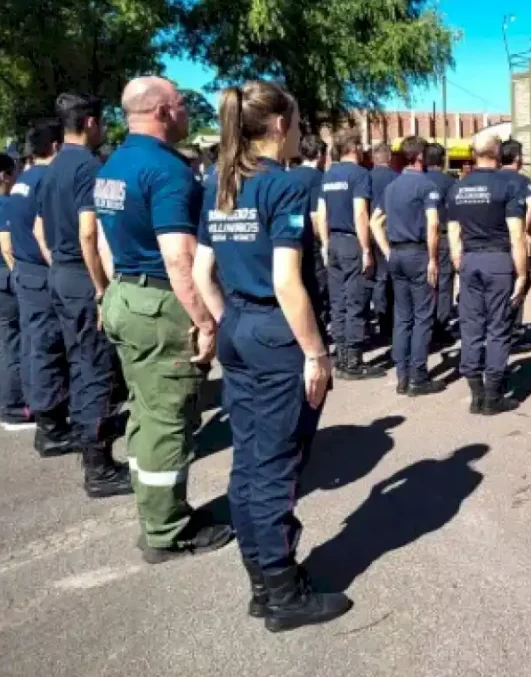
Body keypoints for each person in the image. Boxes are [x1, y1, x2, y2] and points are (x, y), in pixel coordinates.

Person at [193, 80, 346, 633]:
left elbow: (198, 272)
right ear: (280, 126)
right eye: (300, 124)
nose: (301, 133)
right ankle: (283, 593)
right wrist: (315, 354)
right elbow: (287, 280)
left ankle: (262, 582)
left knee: (250, 461)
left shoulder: (221, 183)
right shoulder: (285, 185)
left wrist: (222, 320)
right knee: (277, 467)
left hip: (239, 327)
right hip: (277, 335)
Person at [95, 76, 233, 561]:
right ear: (161, 111)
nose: (186, 111)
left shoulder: (114, 163)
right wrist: (206, 320)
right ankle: (167, 529)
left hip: (126, 295)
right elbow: (179, 257)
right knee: (169, 420)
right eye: (180, 104)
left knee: (146, 411)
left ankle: (156, 510)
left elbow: (107, 240)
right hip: (159, 303)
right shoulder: (167, 171)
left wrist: (110, 295)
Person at [35, 92, 130, 497]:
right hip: (81, 276)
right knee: (95, 369)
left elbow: (40, 228)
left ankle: (91, 447)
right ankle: (99, 468)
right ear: (90, 122)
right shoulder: (89, 167)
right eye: (103, 122)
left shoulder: (52, 167)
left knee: (79, 362)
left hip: (60, 272)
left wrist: (59, 264)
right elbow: (89, 231)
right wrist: (100, 287)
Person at [448, 135, 527, 414]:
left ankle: (476, 394)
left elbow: (454, 233)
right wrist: (522, 273)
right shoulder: (508, 185)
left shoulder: (458, 187)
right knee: (497, 328)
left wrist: (460, 264)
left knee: (470, 327)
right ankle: (493, 395)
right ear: (497, 153)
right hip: (497, 259)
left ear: (474, 152)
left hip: (470, 260)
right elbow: (517, 234)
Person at [9, 120, 72, 451]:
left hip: (25, 270)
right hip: (42, 272)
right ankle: (52, 428)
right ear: (58, 147)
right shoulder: (48, 179)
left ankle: (48, 416)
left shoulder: (24, 180)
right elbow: (43, 232)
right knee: (48, 347)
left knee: (35, 345)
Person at [370, 136, 444, 396]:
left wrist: (387, 251)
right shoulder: (426, 185)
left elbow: (374, 221)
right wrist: (433, 259)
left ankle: (402, 375)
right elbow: (433, 224)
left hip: (397, 255)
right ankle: (418, 376)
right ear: (421, 156)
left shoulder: (391, 186)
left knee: (402, 316)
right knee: (423, 316)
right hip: (417, 253)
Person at [317, 129, 383, 380]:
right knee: (355, 300)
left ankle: (342, 356)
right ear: (354, 147)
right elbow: (361, 214)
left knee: (338, 302)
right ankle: (353, 362)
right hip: (351, 243)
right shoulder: (360, 175)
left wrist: (324, 244)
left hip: (332, 241)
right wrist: (366, 249)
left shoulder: (329, 174)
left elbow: (321, 212)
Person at [0, 153, 30, 430]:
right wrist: (20, 276)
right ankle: (14, 408)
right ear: (4, 176)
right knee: (12, 344)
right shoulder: (3, 205)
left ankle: (1, 397)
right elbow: (7, 246)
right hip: (3, 277)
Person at [499, 139, 531, 353]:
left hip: (495, 242)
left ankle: (498, 329)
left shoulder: (492, 180)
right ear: (517, 158)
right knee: (520, 283)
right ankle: (513, 332)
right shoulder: (523, 181)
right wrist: (528, 230)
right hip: (517, 240)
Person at [293, 135, 328, 332]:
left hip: (290, 240)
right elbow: (316, 215)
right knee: (316, 289)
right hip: (311, 242)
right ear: (320, 154)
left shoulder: (289, 175)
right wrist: (323, 242)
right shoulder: (319, 178)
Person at [424, 142, 456, 344]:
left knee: (425, 283)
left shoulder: (418, 181)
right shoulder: (451, 183)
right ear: (443, 160)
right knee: (444, 283)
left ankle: (425, 324)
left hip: (421, 238)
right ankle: (441, 326)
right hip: (443, 236)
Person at [368, 142, 398, 338]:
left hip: (369, 232)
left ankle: (378, 315)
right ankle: (389, 319)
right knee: (389, 277)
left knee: (374, 277)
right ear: (389, 158)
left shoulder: (366, 178)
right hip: (389, 232)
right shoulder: (396, 179)